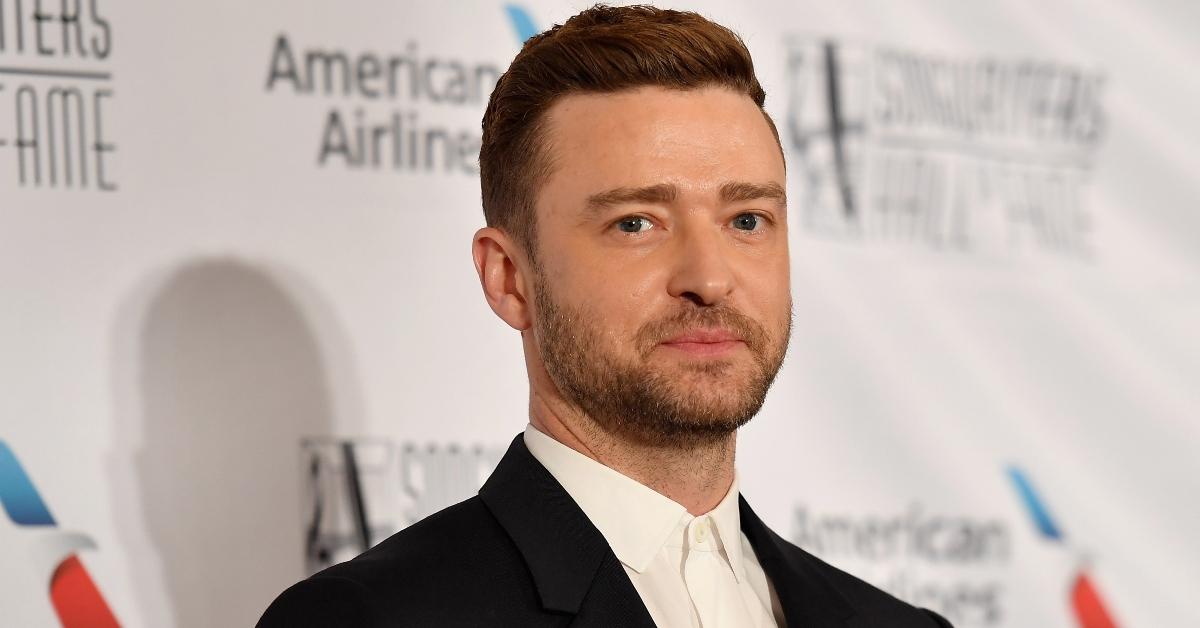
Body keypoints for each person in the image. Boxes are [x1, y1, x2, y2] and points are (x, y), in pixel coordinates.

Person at [259, 5, 953, 627]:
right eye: (636, 224)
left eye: (747, 218)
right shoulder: (371, 621)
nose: (709, 278)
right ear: (509, 278)